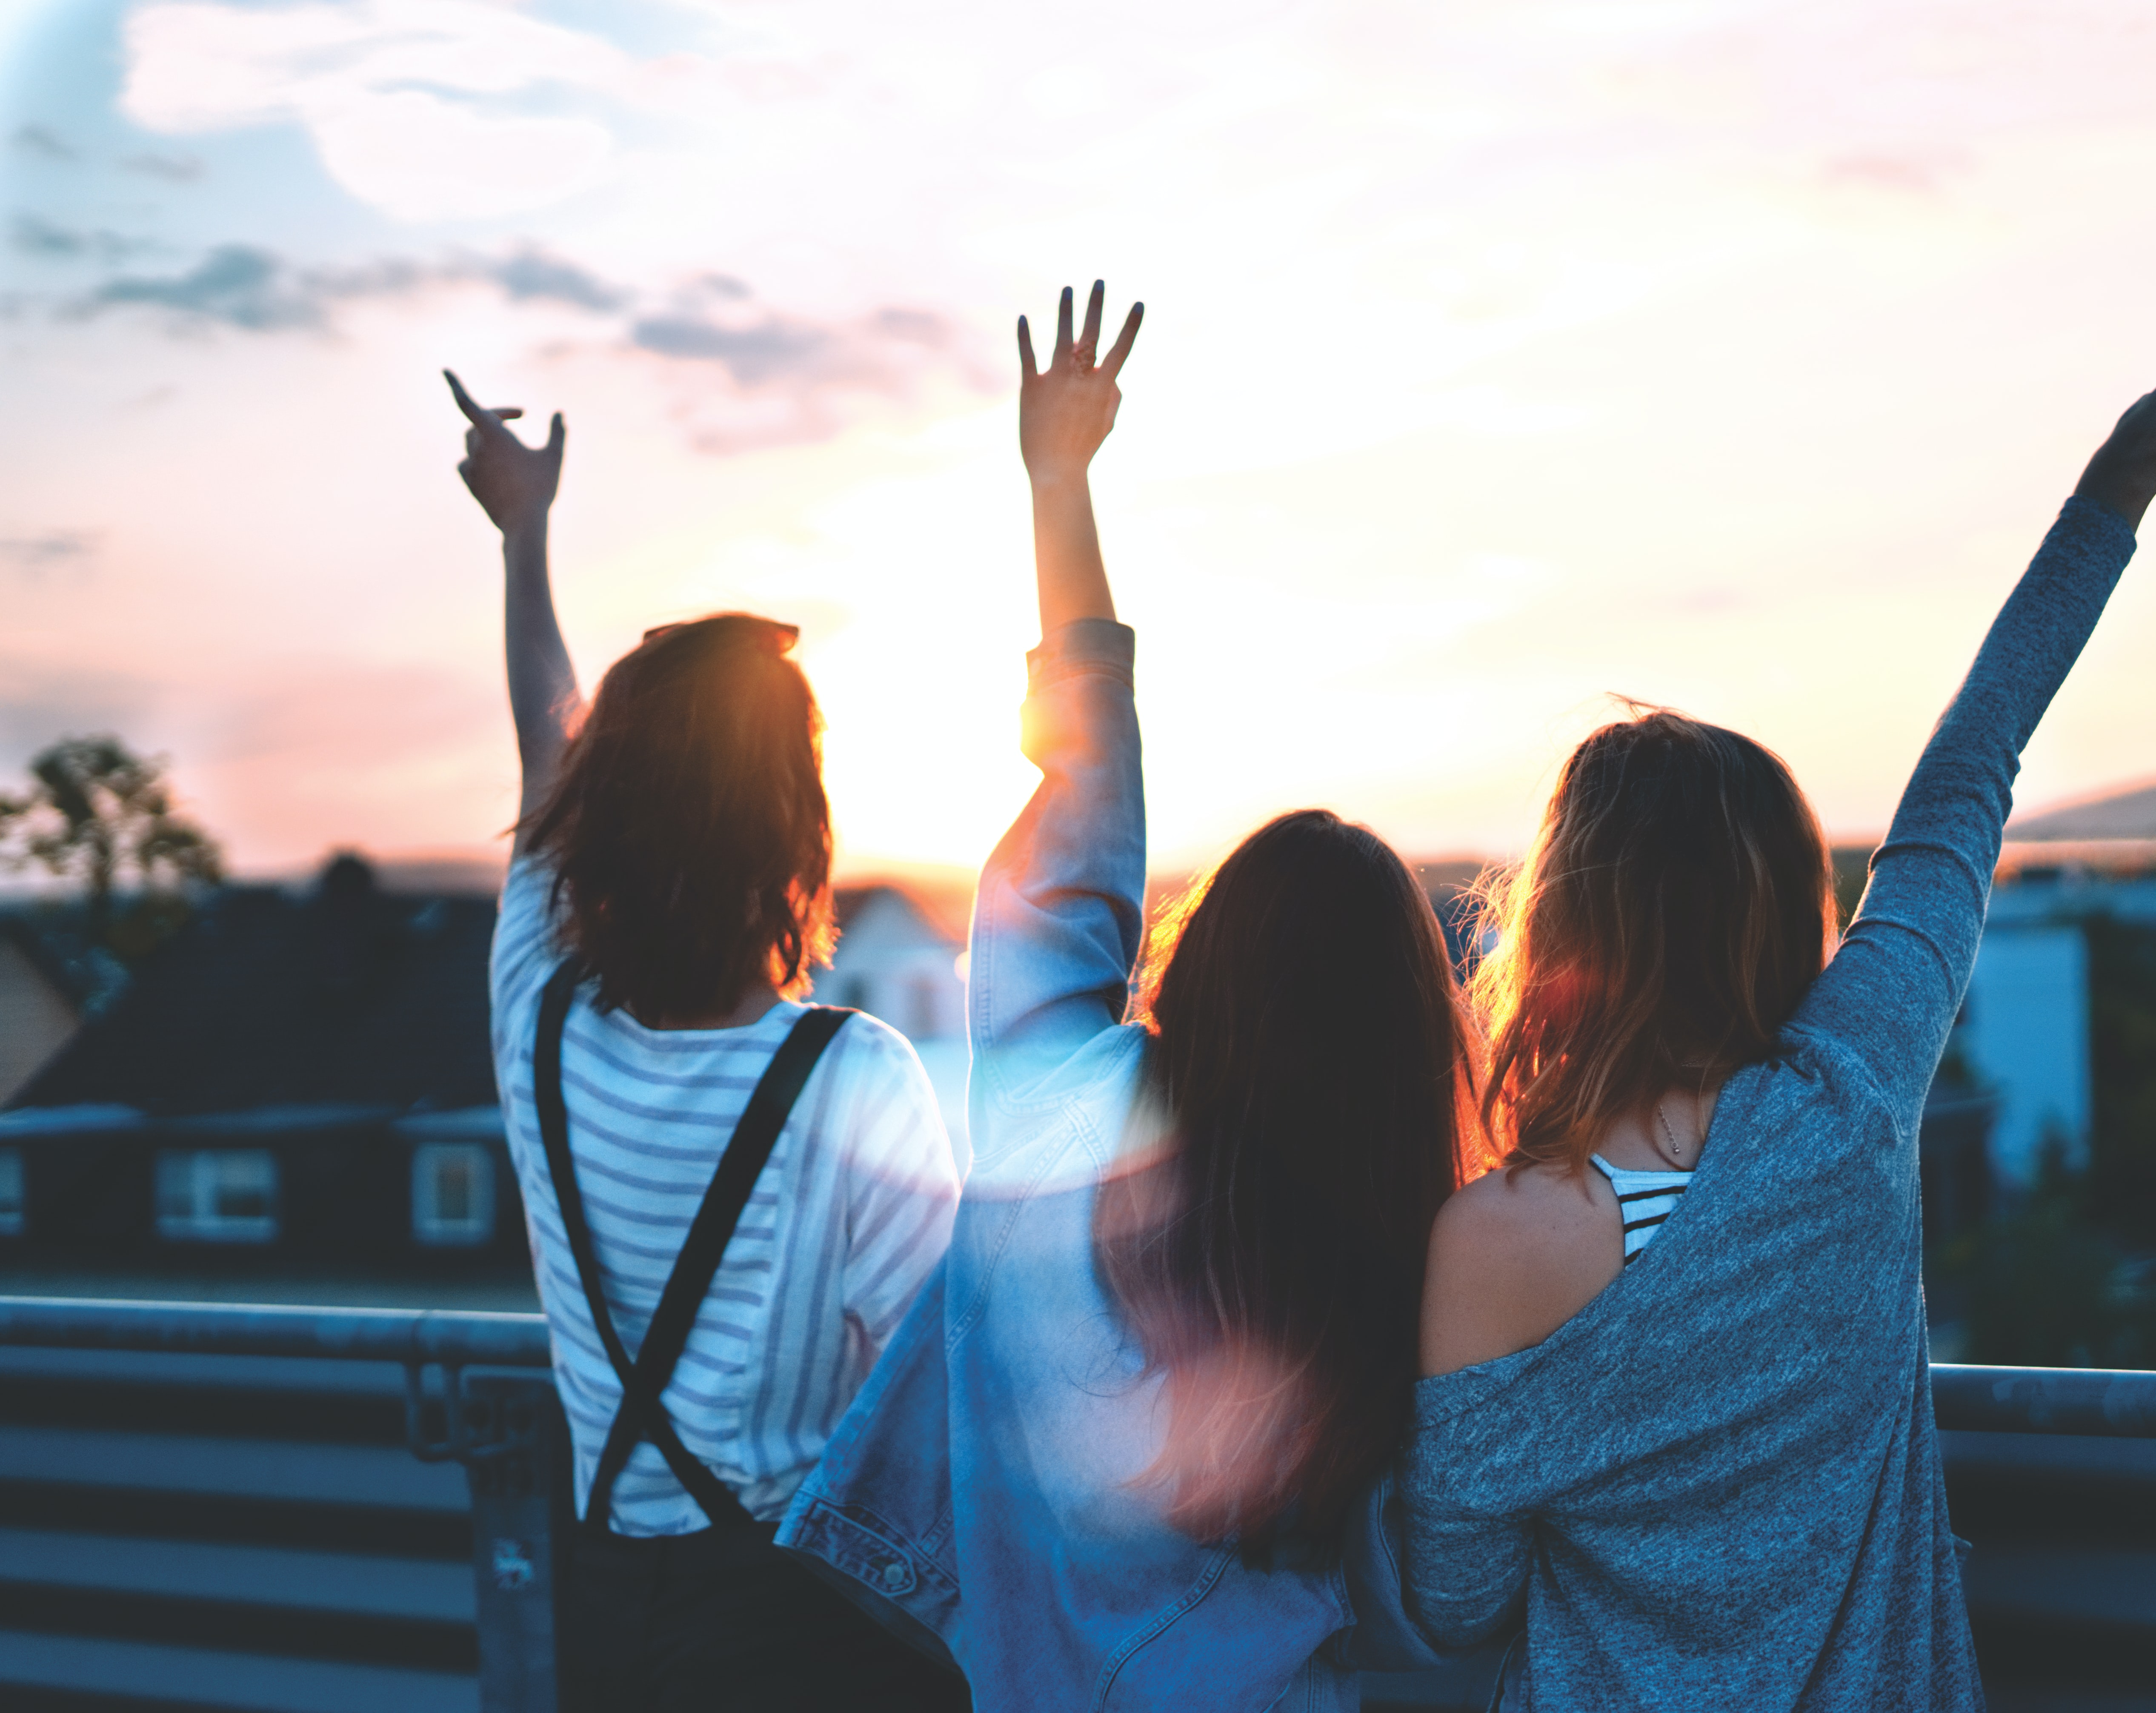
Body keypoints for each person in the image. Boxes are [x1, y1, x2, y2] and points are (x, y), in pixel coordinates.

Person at [1400, 287, 2156, 1709]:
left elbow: (1458, 1609)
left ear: (1565, 919)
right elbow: (1968, 778)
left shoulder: (1490, 1239)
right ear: (1777, 910)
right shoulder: (1849, 1096)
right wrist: (2113, 491)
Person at [780, 284, 1481, 1710]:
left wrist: (1057, 482)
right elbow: (1432, 1602)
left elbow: (1083, 814)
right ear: (1403, 1034)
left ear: (1207, 960)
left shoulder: (1061, 1114)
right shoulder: (1402, 1250)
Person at [447, 371, 969, 1713]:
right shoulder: (853, 1080)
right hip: (802, 1635)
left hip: (600, 1616)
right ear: (796, 835)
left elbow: (544, 760)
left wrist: (523, 537)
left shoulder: (536, 1015)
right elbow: (938, 1396)